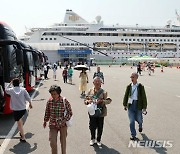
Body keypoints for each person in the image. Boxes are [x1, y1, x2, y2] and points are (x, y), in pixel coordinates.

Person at [43, 85, 73, 154]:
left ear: (59, 93)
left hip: (63, 124)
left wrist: (64, 120)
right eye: (52, 94)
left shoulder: (64, 101)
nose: (53, 96)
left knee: (63, 142)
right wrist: (45, 121)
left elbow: (70, 112)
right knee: (52, 142)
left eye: (55, 94)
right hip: (53, 124)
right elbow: (47, 112)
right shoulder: (49, 101)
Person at [84, 77, 111, 146]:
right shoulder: (90, 91)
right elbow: (85, 100)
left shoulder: (104, 92)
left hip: (101, 112)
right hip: (92, 111)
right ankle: (92, 138)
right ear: (93, 83)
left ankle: (98, 140)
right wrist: (88, 101)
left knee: (100, 126)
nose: (97, 83)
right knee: (92, 126)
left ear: (101, 83)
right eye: (95, 82)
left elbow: (109, 100)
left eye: (98, 82)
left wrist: (102, 101)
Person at [5, 78, 33, 142]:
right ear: (19, 83)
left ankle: (23, 137)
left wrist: (10, 83)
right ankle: (21, 132)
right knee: (20, 121)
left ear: (13, 84)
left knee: (19, 123)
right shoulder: (23, 90)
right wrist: (30, 104)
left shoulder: (11, 90)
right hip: (23, 109)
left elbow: (6, 89)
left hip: (16, 109)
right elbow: (28, 97)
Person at [123, 73, 147, 141]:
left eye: (133, 77)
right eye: (131, 77)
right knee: (131, 121)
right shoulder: (129, 86)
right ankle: (133, 135)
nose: (132, 78)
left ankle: (140, 125)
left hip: (138, 105)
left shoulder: (140, 86)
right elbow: (126, 95)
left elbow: (144, 97)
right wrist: (124, 104)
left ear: (136, 78)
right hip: (130, 105)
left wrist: (144, 107)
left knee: (139, 119)